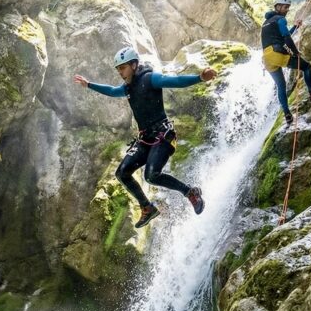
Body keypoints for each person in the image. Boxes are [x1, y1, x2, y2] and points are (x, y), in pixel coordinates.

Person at [73, 47, 217, 228]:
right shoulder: (127, 88)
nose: (120, 72)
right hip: (145, 139)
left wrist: (200, 78)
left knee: (151, 175)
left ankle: (190, 192)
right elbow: (112, 91)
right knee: (122, 173)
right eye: (118, 69)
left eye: (123, 68)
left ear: (134, 65)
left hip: (163, 136)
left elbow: (175, 81)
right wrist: (89, 84)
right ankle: (147, 207)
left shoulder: (150, 78)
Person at [261, 0, 311, 124]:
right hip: (277, 53)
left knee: (281, 85)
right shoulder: (281, 19)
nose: (287, 9)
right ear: (278, 7)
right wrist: (295, 52)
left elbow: (282, 35)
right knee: (306, 67)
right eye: (285, 7)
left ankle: (287, 114)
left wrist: (295, 27)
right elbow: (286, 38)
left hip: (266, 58)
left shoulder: (266, 23)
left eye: (288, 7)